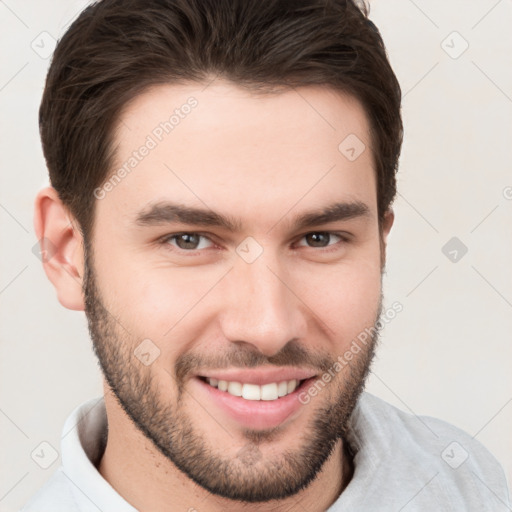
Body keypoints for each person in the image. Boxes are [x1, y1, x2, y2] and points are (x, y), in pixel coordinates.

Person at [22, 0, 510, 510]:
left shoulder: (469, 484)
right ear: (66, 253)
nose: (268, 326)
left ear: (381, 245)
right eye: (189, 240)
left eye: (320, 238)